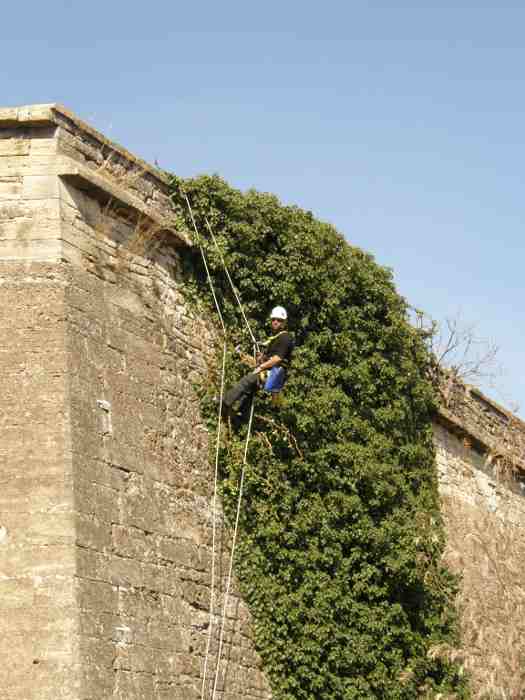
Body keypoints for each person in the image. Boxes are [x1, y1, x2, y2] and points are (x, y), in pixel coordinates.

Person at [222, 306, 294, 424]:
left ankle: (225, 402)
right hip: (272, 372)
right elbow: (271, 356)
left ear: (284, 322)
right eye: (274, 319)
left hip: (274, 373)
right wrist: (262, 357)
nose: (275, 322)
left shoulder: (285, 338)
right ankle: (241, 417)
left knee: (248, 379)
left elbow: (277, 358)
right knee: (250, 390)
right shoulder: (275, 338)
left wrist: (261, 367)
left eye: (279, 320)